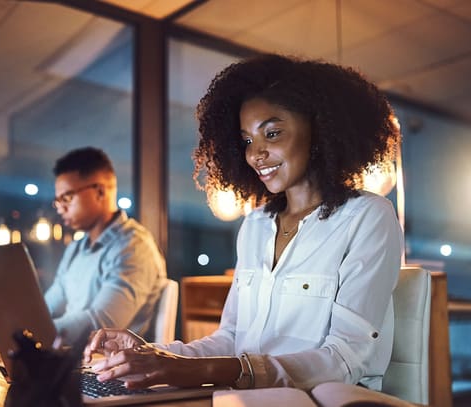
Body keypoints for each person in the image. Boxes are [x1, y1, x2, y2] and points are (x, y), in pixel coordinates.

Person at [83, 54, 405, 392]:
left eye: (273, 133)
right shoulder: (255, 226)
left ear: (322, 129)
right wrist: (151, 355)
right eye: (248, 140)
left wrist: (202, 371)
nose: (255, 154)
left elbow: (345, 359)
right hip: (244, 399)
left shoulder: (368, 217)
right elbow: (233, 339)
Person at [45, 147, 167, 345]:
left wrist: (32, 330)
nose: (61, 208)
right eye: (58, 201)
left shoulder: (134, 247)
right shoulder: (76, 248)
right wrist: (12, 324)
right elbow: (48, 306)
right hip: (73, 360)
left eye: (67, 198)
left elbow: (101, 324)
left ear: (100, 192)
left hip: (111, 367)